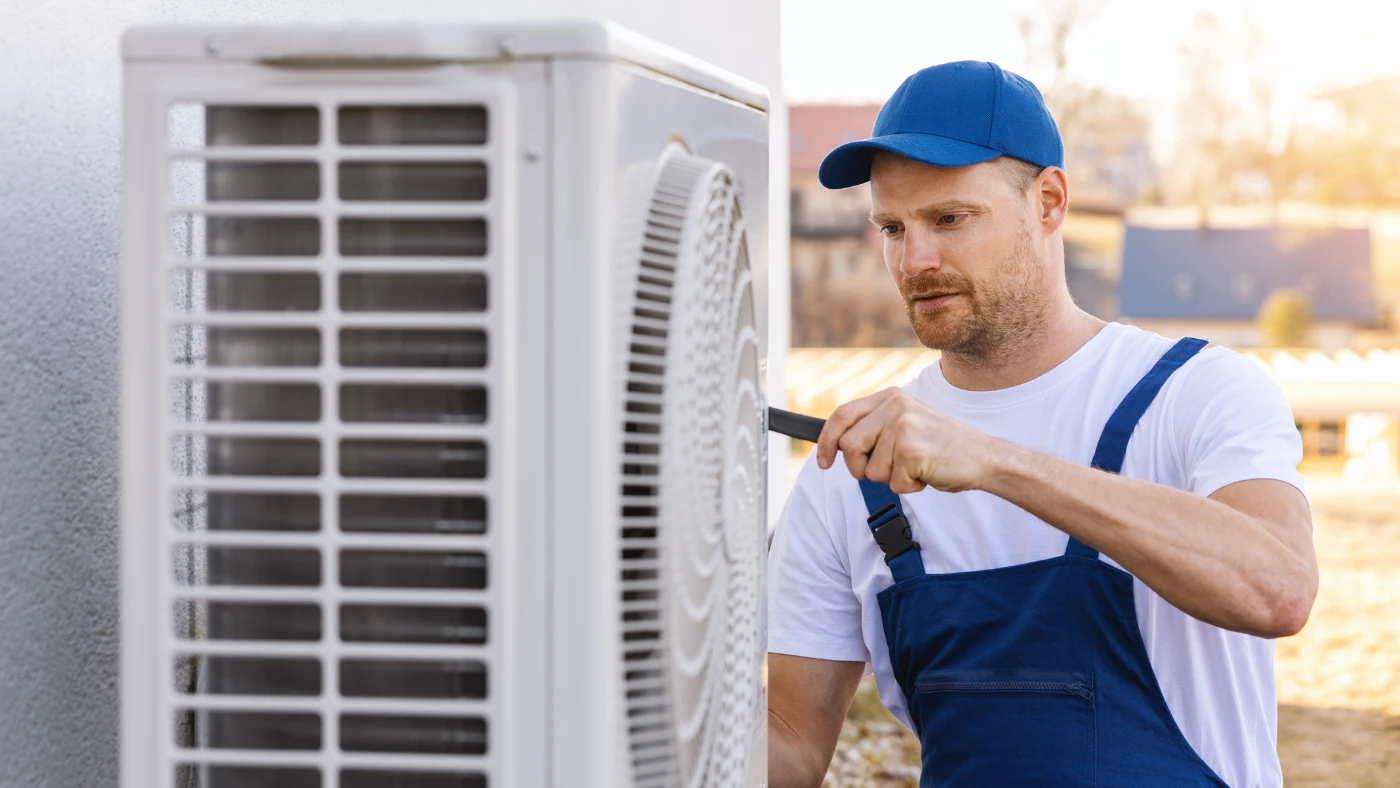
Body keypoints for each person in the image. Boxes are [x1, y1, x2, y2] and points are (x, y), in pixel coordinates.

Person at [766, 61, 1317, 788]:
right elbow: (790, 745)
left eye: (950, 219)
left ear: (1049, 202)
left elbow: (1279, 588)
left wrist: (993, 462)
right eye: (893, 228)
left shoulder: (1195, 391)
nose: (914, 260)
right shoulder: (853, 469)